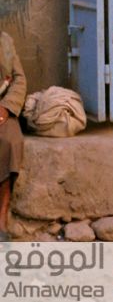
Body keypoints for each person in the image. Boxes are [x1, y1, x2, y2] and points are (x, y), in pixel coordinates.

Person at [0, 32, 27, 241]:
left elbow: (19, 79)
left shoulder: (4, 42)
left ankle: (1, 217)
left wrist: (5, 108)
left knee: (10, 141)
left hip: (1, 108)